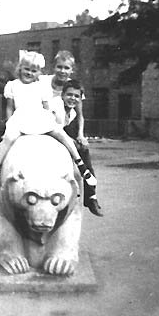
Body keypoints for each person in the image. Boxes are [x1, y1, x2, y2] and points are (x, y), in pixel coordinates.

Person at [0, 51, 96, 188]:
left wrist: (77, 133)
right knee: (6, 139)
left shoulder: (69, 87)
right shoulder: (16, 84)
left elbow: (48, 107)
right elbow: (9, 107)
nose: (30, 73)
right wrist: (9, 124)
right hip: (20, 118)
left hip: (42, 118)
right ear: (20, 68)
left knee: (64, 136)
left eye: (33, 71)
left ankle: (82, 168)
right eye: (26, 69)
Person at [57, 79, 103, 216]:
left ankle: (91, 195)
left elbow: (80, 117)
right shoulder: (56, 107)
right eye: (69, 95)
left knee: (84, 148)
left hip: (63, 133)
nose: (73, 98)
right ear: (62, 95)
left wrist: (80, 135)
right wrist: (71, 140)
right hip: (51, 134)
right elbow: (54, 129)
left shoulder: (73, 112)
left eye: (76, 96)